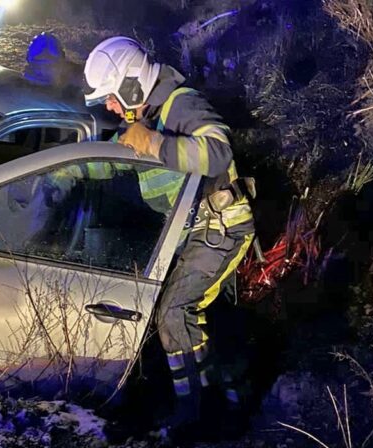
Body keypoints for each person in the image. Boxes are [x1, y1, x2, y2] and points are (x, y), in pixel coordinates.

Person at [82, 36, 256, 432]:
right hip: (193, 232)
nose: (109, 106)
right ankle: (232, 398)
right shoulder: (147, 117)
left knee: (174, 313)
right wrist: (63, 170)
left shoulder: (181, 104)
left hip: (221, 230)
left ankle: (196, 415)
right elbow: (117, 157)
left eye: (110, 97)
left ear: (132, 84)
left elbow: (217, 153)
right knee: (200, 318)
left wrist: (156, 143)